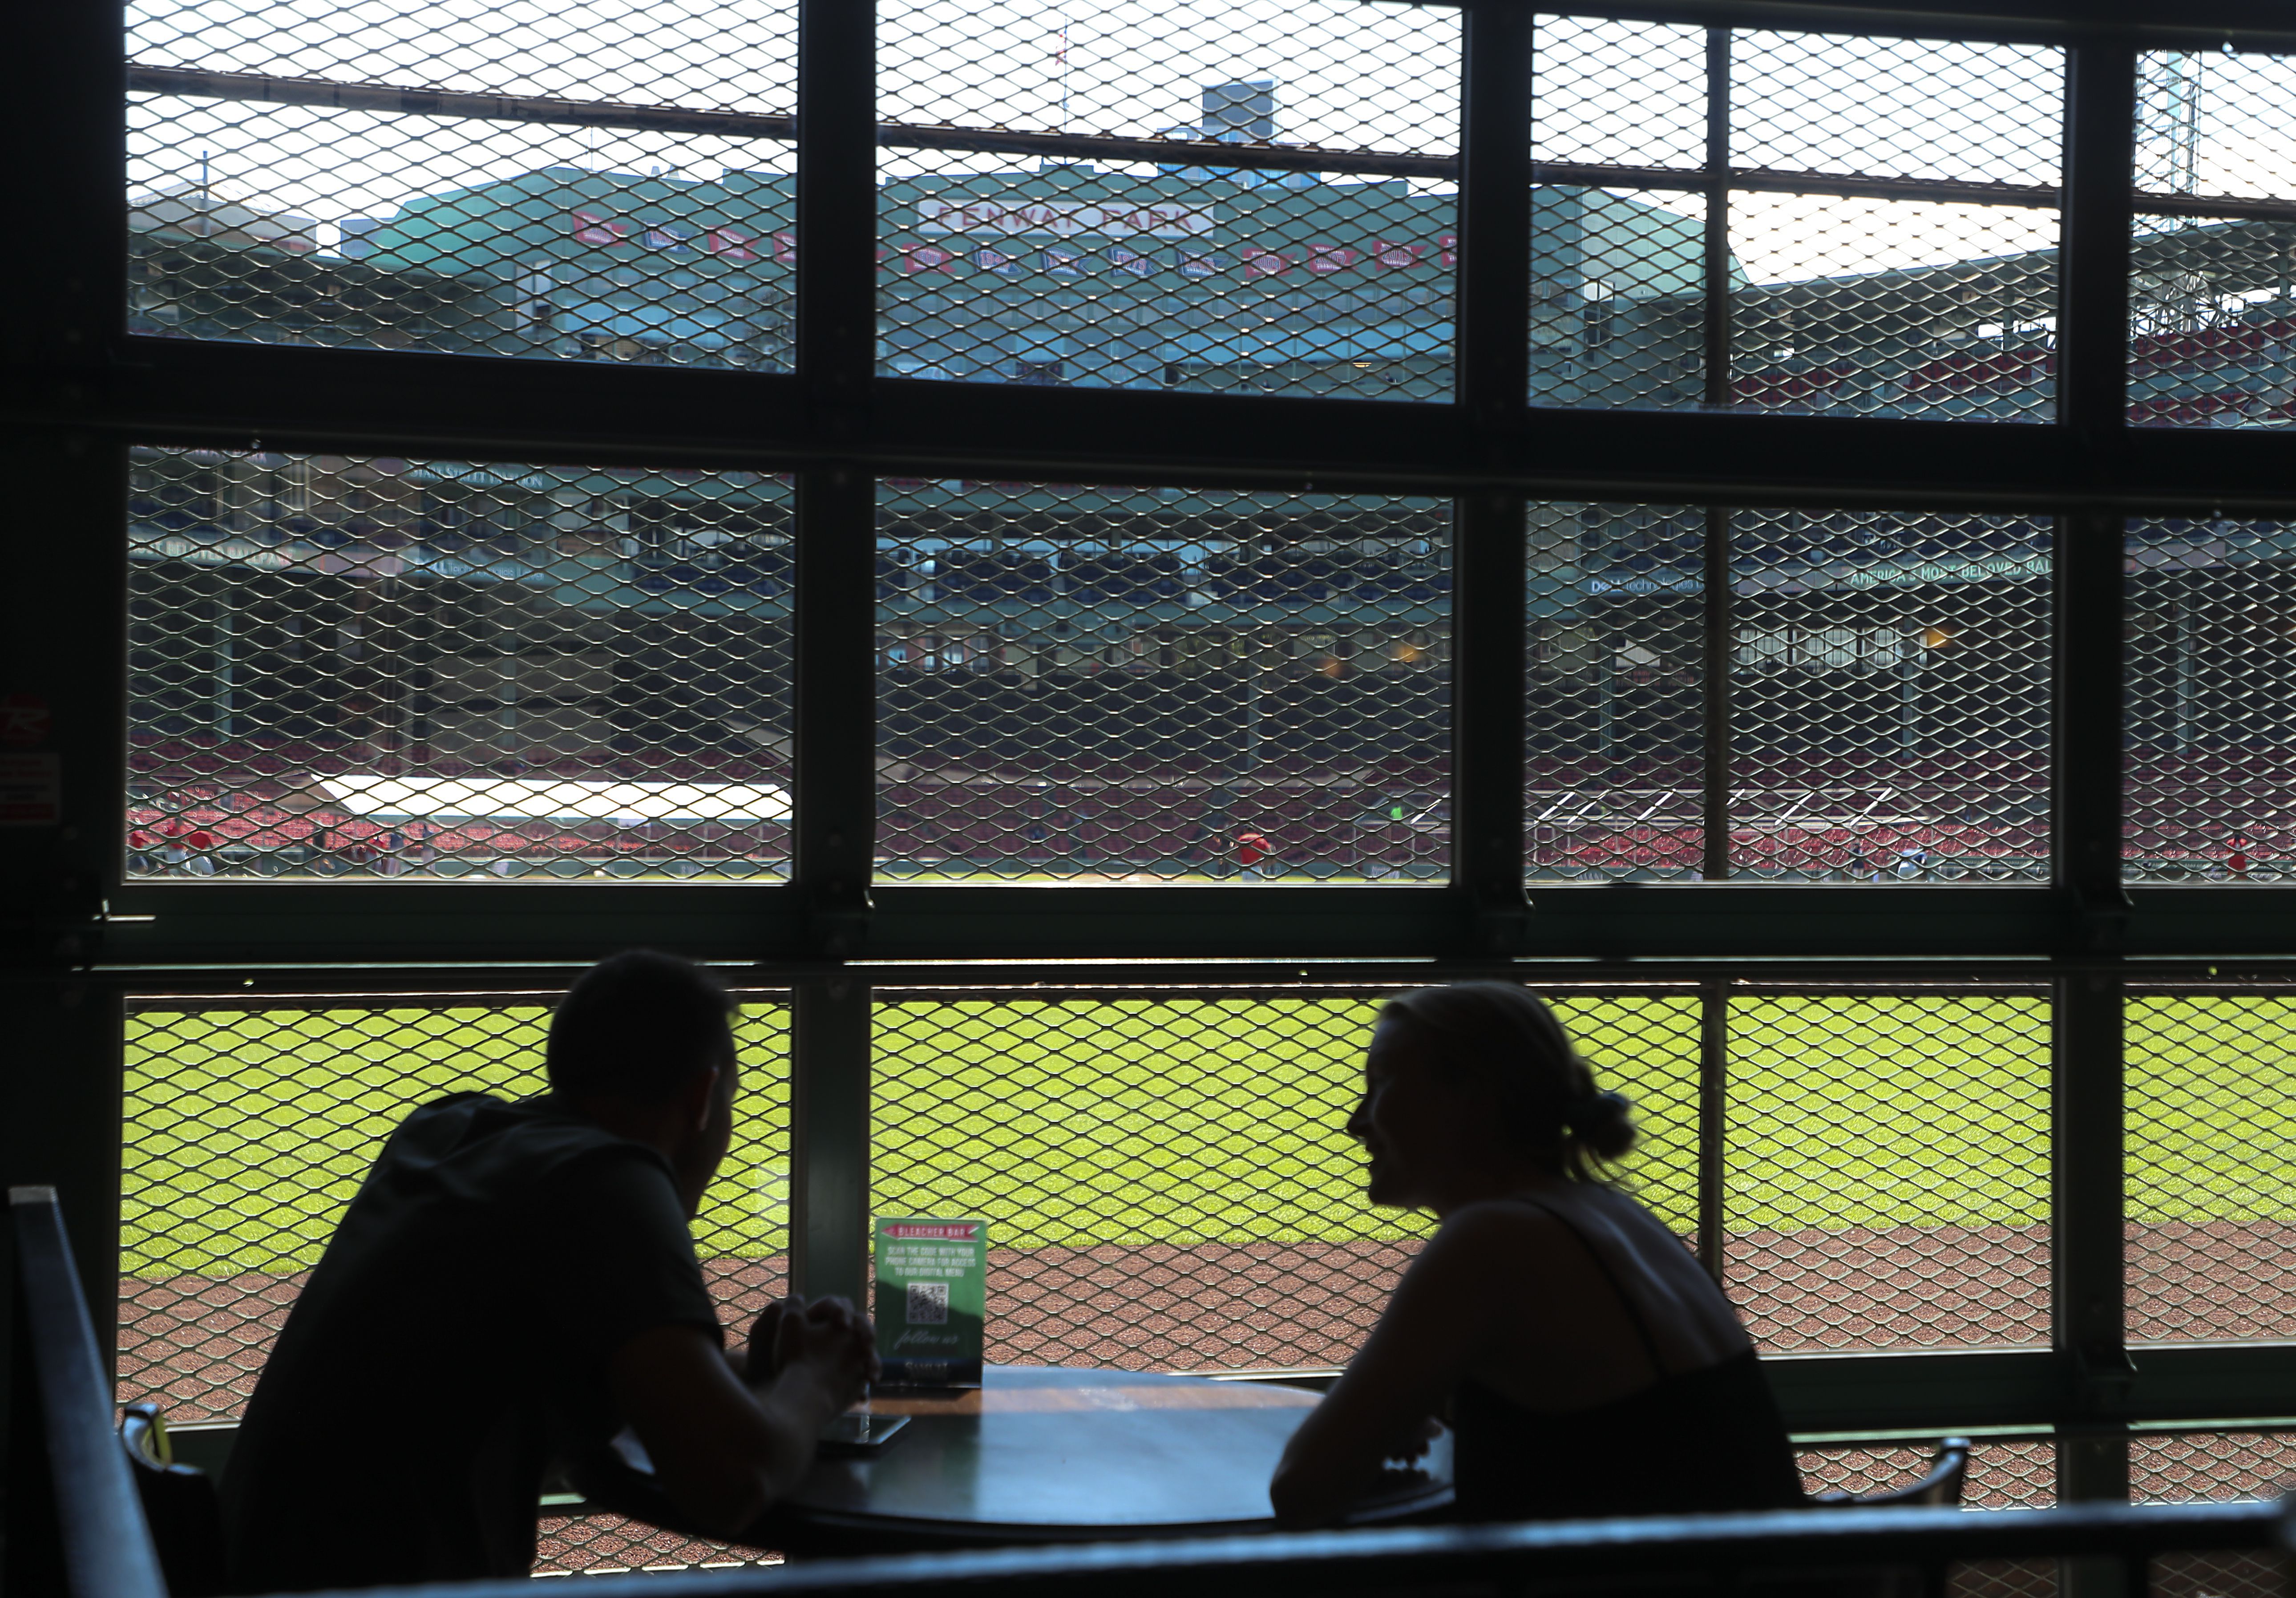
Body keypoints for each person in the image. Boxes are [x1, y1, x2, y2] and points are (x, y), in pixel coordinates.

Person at [221, 951, 878, 1590]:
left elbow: (619, 1379)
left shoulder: (450, 1129)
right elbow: (730, 1479)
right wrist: (819, 1378)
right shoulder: (607, 1177)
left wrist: (760, 1371)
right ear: (703, 1096)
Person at [1270, 983, 1802, 1527]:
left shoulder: (1491, 1240)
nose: (1357, 1121)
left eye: (1380, 1084)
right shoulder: (1613, 1214)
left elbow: (1304, 1490)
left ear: (1470, 1098)